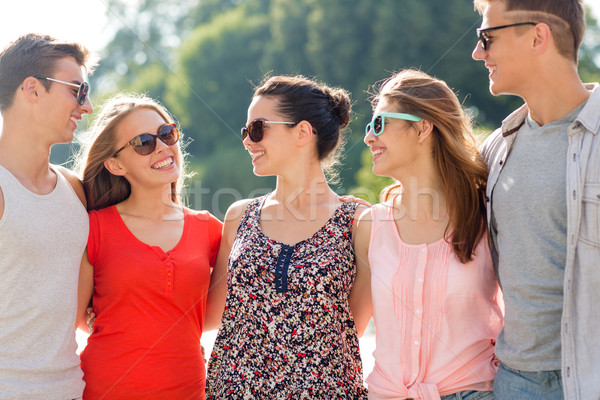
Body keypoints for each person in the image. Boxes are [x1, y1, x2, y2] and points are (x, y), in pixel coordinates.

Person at [204, 75, 369, 399]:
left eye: (257, 129)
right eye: (246, 131)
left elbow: (349, 332)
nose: (247, 141)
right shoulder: (239, 217)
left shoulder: (358, 224)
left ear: (303, 132)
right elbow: (209, 314)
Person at [471, 1, 600, 399]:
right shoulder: (495, 149)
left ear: (537, 36)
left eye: (487, 37)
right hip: (513, 383)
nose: (478, 52)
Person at [354, 69, 503, 400]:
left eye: (379, 124)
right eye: (368, 127)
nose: (368, 138)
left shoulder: (487, 214)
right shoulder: (370, 226)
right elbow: (349, 330)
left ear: (422, 127)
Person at [74, 94, 222, 399]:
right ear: (115, 164)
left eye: (167, 134)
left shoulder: (208, 228)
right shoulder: (94, 227)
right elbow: (76, 317)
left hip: (188, 390)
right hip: (104, 389)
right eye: (144, 143)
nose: (163, 147)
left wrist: (331, 208)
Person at [0, 33, 95, 399]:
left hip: (70, 390)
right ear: (32, 89)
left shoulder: (74, 189)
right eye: (77, 90)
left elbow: (79, 309)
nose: (86, 107)